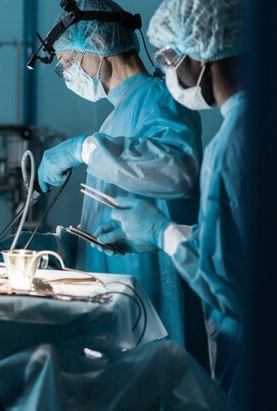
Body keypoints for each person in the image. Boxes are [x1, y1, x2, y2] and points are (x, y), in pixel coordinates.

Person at [94, 0, 246, 395]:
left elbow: (235, 286)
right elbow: (245, 240)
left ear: (200, 51)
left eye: (167, 57)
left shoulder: (235, 144)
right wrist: (177, 234)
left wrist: (163, 233)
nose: (166, 71)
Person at [32, 0, 202, 345]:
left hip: (155, 300)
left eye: (69, 62)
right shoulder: (116, 117)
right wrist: (65, 245)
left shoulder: (160, 98)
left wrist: (81, 149)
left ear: (97, 43)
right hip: (123, 298)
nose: (69, 75)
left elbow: (176, 171)